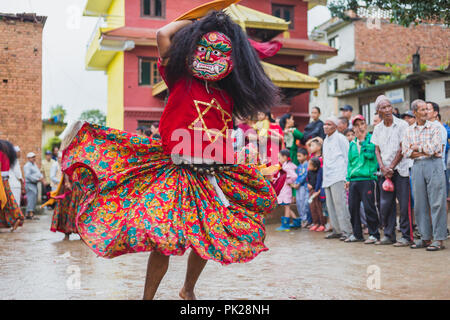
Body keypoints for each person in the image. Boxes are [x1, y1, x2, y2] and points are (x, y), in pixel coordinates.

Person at [59, 10, 279, 300]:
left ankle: (187, 290)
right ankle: (147, 298)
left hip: (213, 176)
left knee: (208, 240)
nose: (211, 57)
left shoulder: (228, 96)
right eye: (204, 48)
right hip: (173, 174)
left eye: (220, 51)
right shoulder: (180, 77)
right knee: (163, 241)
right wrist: (200, 24)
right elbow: (163, 34)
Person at [403, 99, 447, 251]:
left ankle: (439, 239)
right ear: (414, 112)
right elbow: (406, 152)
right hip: (417, 167)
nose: (425, 112)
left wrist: (417, 148)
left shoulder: (435, 127)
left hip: (434, 165)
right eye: (422, 110)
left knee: (437, 202)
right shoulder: (408, 130)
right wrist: (425, 150)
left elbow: (436, 147)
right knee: (420, 204)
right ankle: (425, 237)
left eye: (426, 109)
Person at [371, 95, 412, 247]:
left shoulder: (402, 125)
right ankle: (389, 235)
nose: (387, 110)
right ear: (378, 111)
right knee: (386, 204)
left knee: (403, 203)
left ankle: (406, 236)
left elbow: (402, 148)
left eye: (389, 106)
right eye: (383, 107)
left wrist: (391, 167)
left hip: (400, 170)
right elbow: (376, 149)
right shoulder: (377, 128)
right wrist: (382, 167)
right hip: (385, 171)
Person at [345, 115, 380, 244]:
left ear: (366, 125)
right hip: (354, 179)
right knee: (353, 208)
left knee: (369, 207)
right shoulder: (352, 144)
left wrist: (363, 139)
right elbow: (350, 163)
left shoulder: (371, 140)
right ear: (353, 128)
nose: (359, 127)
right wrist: (348, 178)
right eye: (356, 125)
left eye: (362, 124)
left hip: (367, 178)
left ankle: (374, 234)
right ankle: (357, 234)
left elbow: (370, 156)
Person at [322, 117, 353, 240]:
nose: (325, 126)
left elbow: (347, 157)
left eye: (329, 124)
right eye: (325, 124)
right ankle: (337, 230)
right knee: (330, 206)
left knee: (340, 205)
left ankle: (347, 231)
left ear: (335, 126)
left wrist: (347, 177)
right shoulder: (325, 140)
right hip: (328, 176)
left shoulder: (341, 138)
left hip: (339, 175)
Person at [0, 140, 24, 231]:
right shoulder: (7, 155)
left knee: (4, 202)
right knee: (9, 200)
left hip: (1, 180)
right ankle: (17, 217)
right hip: (5, 181)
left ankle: (15, 218)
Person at [49, 173, 81, 240]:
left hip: (79, 185)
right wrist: (67, 181)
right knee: (67, 208)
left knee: (79, 208)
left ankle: (81, 234)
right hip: (70, 185)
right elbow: (66, 169)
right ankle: (67, 233)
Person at [275, 149, 298, 231]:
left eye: (279, 157)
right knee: (286, 206)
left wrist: (288, 181)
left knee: (287, 206)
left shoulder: (287, 166)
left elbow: (294, 176)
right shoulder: (285, 165)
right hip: (284, 190)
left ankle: (285, 225)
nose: (278, 159)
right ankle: (296, 222)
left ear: (284, 157)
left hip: (286, 190)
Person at [292, 148, 311, 228]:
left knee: (305, 203)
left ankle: (306, 219)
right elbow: (298, 176)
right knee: (299, 203)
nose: (298, 158)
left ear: (305, 156)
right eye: (297, 156)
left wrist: (298, 183)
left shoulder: (307, 165)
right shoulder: (299, 166)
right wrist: (296, 183)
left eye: (300, 156)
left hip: (304, 186)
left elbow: (305, 175)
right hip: (298, 187)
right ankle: (303, 219)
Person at [307, 157, 326, 232]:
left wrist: (318, 191)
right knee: (312, 208)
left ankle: (322, 224)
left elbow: (320, 182)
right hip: (311, 191)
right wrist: (308, 185)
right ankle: (316, 223)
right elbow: (307, 179)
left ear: (315, 167)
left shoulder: (320, 172)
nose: (308, 166)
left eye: (310, 165)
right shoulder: (309, 172)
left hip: (318, 192)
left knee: (319, 208)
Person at [23, 152, 44, 220]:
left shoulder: (34, 165)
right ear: (28, 158)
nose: (34, 158)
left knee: (33, 199)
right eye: (32, 157)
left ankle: (28, 214)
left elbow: (38, 172)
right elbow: (28, 176)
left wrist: (41, 177)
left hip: (34, 184)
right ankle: (30, 214)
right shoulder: (27, 166)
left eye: (34, 157)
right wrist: (37, 179)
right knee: (31, 199)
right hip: (30, 184)